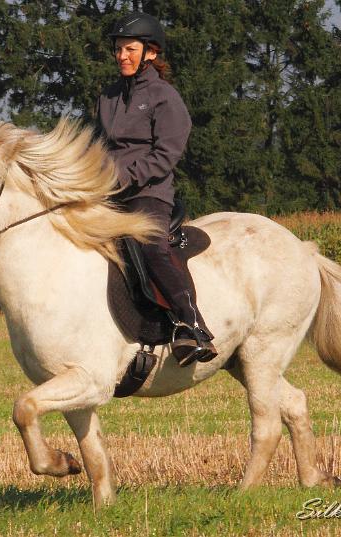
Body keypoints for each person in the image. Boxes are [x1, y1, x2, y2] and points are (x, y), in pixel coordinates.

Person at [96, 12, 217, 367]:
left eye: (129, 49)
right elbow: (96, 144)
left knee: (151, 247)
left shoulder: (165, 97)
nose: (122, 56)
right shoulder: (107, 96)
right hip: (106, 195)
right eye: (118, 49)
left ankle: (192, 325)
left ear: (150, 52)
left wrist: (125, 178)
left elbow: (167, 154)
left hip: (149, 193)